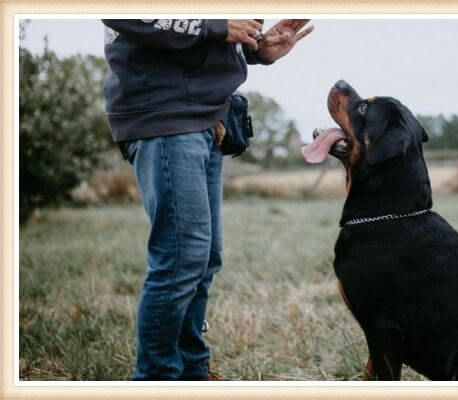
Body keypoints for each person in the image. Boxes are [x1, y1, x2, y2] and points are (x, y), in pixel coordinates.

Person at [101, 18, 313, 380]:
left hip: (206, 116)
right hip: (165, 114)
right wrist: (217, 26)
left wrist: (254, 48)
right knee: (181, 259)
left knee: (204, 259)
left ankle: (192, 371)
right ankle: (156, 378)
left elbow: (201, 35)